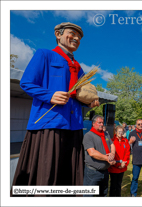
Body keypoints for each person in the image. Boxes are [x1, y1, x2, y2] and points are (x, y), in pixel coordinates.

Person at [11, 22, 100, 191]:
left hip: (74, 127)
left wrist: (89, 103)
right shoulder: (44, 55)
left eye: (79, 37)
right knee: (46, 176)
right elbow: (27, 83)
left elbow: (78, 97)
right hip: (49, 125)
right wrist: (49, 95)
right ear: (58, 35)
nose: (76, 38)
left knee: (68, 177)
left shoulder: (79, 67)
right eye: (72, 33)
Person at [82, 115, 115, 197]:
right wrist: (107, 158)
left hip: (105, 171)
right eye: (99, 122)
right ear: (93, 124)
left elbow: (112, 145)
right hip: (93, 172)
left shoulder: (106, 134)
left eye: (102, 123)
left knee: (103, 194)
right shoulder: (88, 136)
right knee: (89, 196)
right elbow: (92, 152)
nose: (101, 124)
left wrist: (112, 154)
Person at [108, 126, 130, 196]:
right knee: (113, 185)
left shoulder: (125, 141)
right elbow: (110, 154)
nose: (120, 133)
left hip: (122, 167)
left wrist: (124, 163)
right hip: (114, 167)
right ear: (116, 132)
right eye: (119, 131)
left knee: (119, 184)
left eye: (122, 132)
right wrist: (117, 164)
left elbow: (127, 153)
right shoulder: (112, 141)